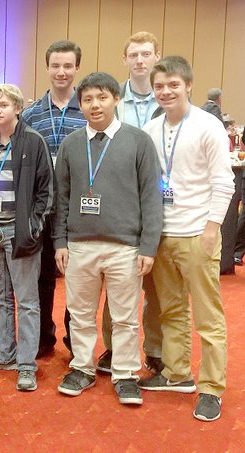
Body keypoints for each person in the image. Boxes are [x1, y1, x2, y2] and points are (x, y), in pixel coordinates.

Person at [53, 72, 162, 406]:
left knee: (125, 317)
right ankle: (82, 368)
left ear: (116, 99)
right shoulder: (71, 143)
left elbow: (151, 196)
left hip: (125, 246)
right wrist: (59, 241)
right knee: (80, 313)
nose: (94, 105)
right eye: (87, 99)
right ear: (80, 105)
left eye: (101, 97)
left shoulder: (138, 141)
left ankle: (125, 373)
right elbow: (61, 197)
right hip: (80, 245)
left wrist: (148, 245)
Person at [138, 56, 234, 422]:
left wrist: (212, 229)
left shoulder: (208, 126)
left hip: (197, 233)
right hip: (163, 234)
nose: (165, 92)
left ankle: (212, 388)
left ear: (188, 86)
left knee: (208, 317)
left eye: (173, 85)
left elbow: (224, 182)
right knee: (171, 309)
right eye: (160, 86)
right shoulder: (151, 129)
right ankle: (177, 374)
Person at [0, 84, 52, 392]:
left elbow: (46, 191)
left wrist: (32, 227)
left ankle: (27, 364)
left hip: (19, 232)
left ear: (17, 108)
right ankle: (2, 354)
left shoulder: (33, 141)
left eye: (3, 105)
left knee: (27, 301)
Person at [96, 31, 165, 376]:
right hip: (117, 205)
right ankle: (112, 348)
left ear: (156, 57)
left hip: (156, 202)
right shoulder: (112, 102)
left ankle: (154, 348)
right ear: (124, 60)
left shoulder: (166, 101)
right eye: (134, 54)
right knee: (116, 283)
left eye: (146, 54)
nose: (140, 60)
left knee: (154, 285)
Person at [21, 40, 87, 357]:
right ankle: (43, 337)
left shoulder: (89, 112)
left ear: (76, 69)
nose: (61, 72)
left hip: (80, 211)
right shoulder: (31, 115)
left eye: (67, 66)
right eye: (55, 66)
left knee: (78, 280)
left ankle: (76, 341)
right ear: (47, 68)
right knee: (43, 278)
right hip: (43, 211)